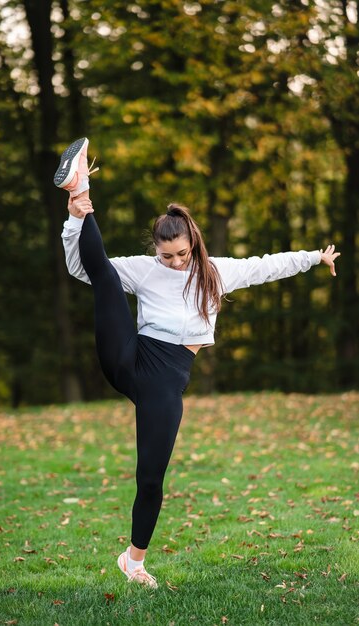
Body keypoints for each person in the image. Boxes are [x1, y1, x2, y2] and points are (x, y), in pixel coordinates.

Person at [55, 137, 340, 589]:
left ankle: (133, 561)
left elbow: (265, 266)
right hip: (129, 355)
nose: (173, 262)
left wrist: (313, 258)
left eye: (181, 254)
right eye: (166, 255)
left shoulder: (215, 273)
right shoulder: (146, 269)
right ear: (156, 248)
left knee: (150, 478)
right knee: (107, 278)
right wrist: (75, 224)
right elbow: (82, 269)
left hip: (166, 383)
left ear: (194, 245)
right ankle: (80, 194)